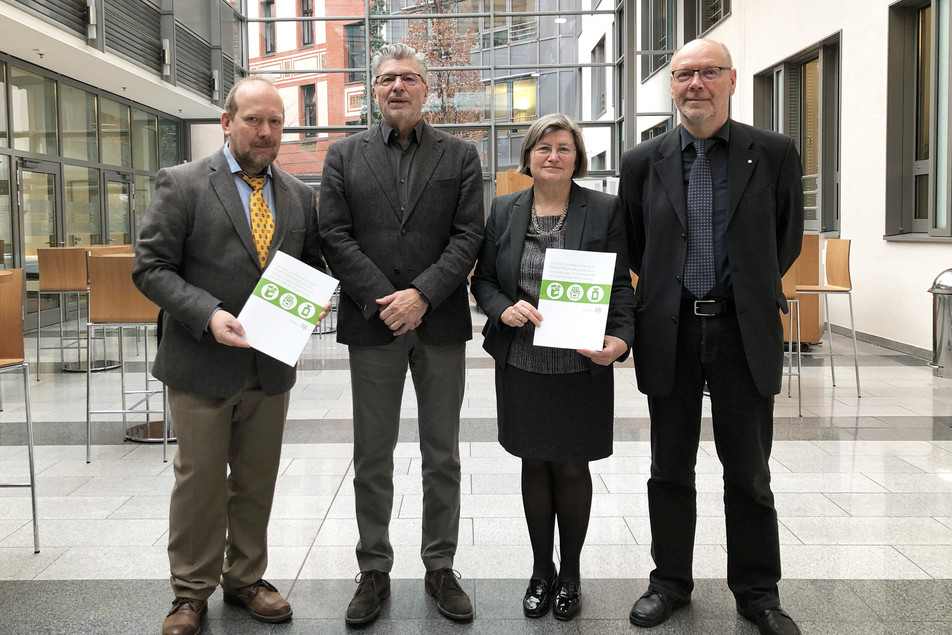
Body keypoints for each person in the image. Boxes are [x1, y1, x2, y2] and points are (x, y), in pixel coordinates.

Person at [618, 39, 804, 635]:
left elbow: (785, 240)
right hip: (669, 330)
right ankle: (669, 582)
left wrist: (745, 289)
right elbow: (636, 246)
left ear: (730, 81)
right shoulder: (642, 161)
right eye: (684, 75)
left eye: (708, 73)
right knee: (668, 466)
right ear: (671, 86)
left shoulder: (771, 153)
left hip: (740, 327)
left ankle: (758, 593)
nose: (695, 83)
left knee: (748, 471)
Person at [133, 77, 322, 635]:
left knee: (257, 479)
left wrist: (313, 302)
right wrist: (208, 312)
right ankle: (190, 593)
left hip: (268, 367)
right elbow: (150, 267)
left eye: (275, 123)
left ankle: (245, 580)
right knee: (200, 481)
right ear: (226, 121)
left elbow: (309, 268)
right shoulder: (184, 183)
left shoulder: (298, 195)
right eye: (253, 121)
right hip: (199, 362)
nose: (265, 132)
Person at [318, 43, 484, 625]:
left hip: (437, 324)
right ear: (374, 87)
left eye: (408, 78)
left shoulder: (461, 156)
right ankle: (374, 570)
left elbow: (468, 237)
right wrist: (385, 300)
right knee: (373, 454)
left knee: (443, 454)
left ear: (425, 89)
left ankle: (440, 566)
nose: (397, 88)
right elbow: (333, 234)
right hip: (373, 323)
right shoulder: (343, 155)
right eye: (386, 78)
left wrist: (422, 296)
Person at [471, 114, 634, 621]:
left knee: (571, 466)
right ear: (529, 157)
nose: (553, 156)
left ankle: (572, 573)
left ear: (577, 157)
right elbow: (483, 282)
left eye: (564, 148)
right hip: (522, 360)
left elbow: (622, 286)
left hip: (581, 363)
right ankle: (541, 570)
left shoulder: (605, 209)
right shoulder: (502, 210)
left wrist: (622, 340)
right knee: (534, 464)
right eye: (544, 147)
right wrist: (503, 308)